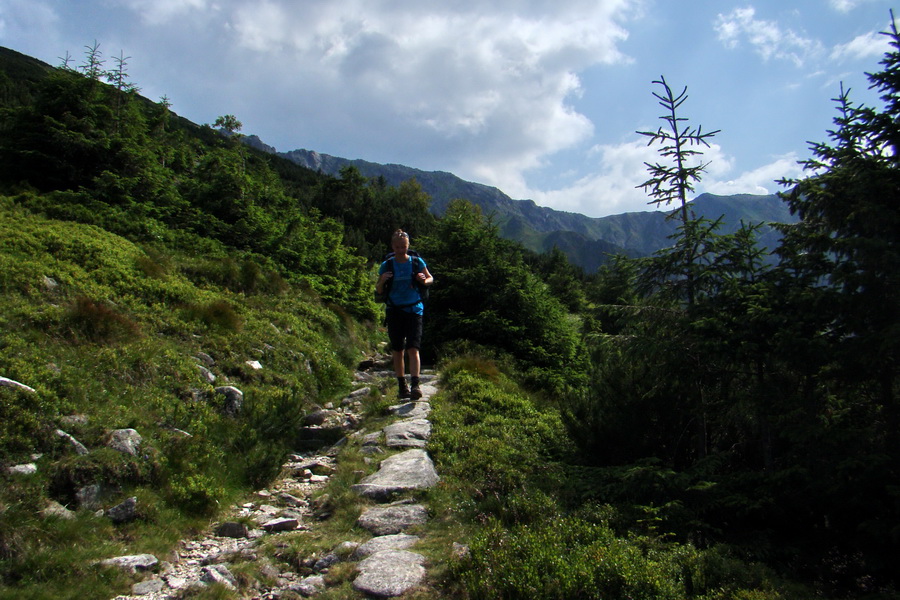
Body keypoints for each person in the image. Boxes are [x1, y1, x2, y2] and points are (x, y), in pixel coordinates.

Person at [376, 229, 433, 399]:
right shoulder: (387, 265)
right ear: (393, 246)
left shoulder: (416, 262)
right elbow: (378, 290)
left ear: (408, 246)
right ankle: (402, 386)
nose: (401, 250)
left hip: (414, 309)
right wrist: (382, 280)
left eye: (404, 246)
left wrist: (424, 280)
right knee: (398, 350)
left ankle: (415, 385)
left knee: (413, 348)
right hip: (394, 310)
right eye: (398, 247)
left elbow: (430, 279)